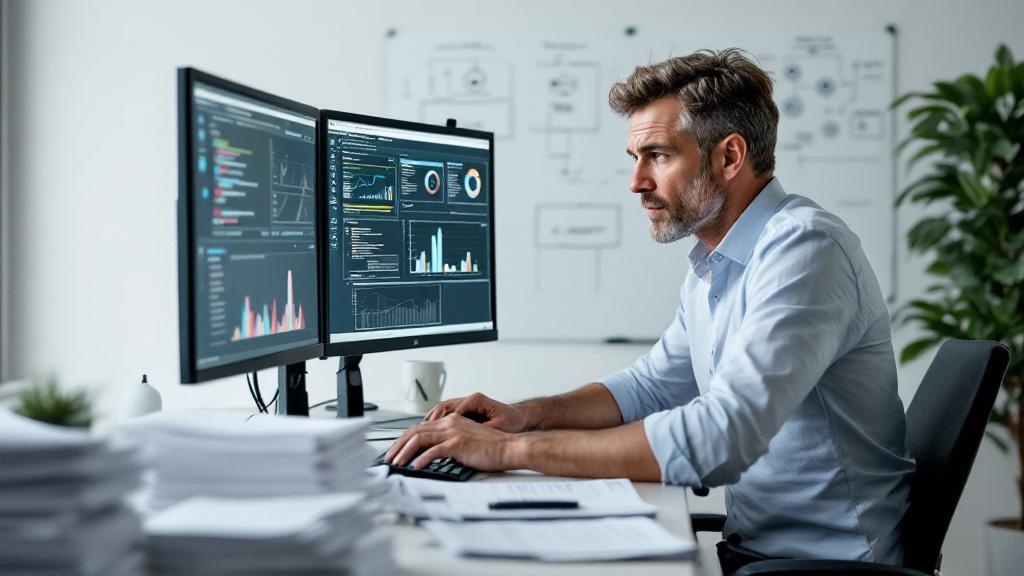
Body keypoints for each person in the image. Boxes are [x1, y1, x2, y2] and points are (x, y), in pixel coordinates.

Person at [386, 48, 914, 572]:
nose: (637, 182)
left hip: (829, 565)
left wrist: (508, 453)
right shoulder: (717, 260)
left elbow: (721, 439)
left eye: (658, 155)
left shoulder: (805, 249)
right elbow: (652, 388)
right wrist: (524, 416)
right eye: (636, 159)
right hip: (764, 553)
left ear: (730, 157)